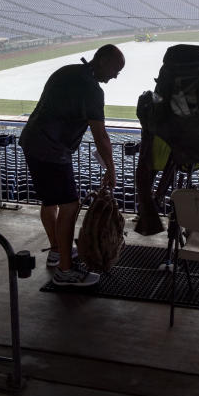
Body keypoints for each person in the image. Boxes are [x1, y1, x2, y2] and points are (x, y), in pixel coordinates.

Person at [19, 44, 125, 287]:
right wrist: (111, 169)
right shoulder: (93, 91)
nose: (115, 76)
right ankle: (65, 271)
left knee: (50, 201)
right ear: (102, 62)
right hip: (52, 150)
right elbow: (101, 137)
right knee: (70, 204)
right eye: (115, 70)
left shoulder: (65, 71)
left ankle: (58, 251)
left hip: (32, 141)